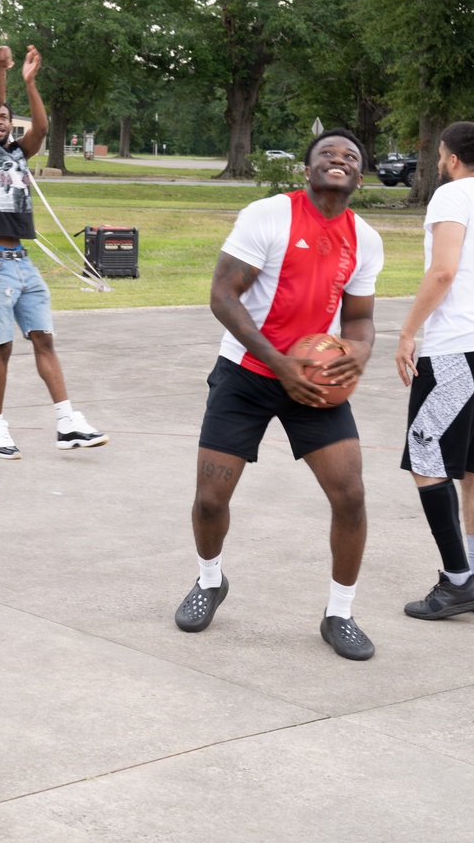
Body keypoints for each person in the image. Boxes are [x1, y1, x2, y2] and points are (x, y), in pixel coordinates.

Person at [174, 129, 384, 660]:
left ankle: (339, 612)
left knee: (351, 497)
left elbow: (359, 319)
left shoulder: (365, 239)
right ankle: (209, 580)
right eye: (327, 154)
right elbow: (223, 295)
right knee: (209, 499)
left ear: (360, 175)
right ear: (308, 169)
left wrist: (360, 350)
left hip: (315, 385)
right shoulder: (268, 215)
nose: (339, 159)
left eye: (350, 157)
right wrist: (278, 364)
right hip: (246, 374)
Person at [0, 44, 107, 459]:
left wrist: (29, 84)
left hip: (22, 263)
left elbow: (42, 131)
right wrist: (0, 67)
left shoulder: (17, 154)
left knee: (44, 339)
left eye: (6, 118)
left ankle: (67, 423)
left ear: (11, 127)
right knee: (3, 347)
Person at [396, 121, 474, 621]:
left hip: (456, 349)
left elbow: (443, 270)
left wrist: (407, 332)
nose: (440, 162)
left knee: (426, 455)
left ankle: (459, 581)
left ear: (453, 158)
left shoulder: (452, 196)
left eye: (441, 155)